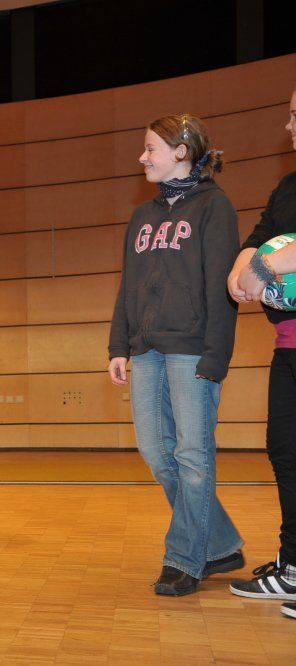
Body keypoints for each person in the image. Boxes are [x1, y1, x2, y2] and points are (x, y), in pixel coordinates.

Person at [108, 114, 244, 596]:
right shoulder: (142, 216)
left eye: (150, 149)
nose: (142, 157)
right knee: (157, 453)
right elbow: (128, 284)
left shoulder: (214, 207)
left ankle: (185, 558)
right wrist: (119, 345)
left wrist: (216, 357)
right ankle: (220, 544)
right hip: (146, 349)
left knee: (192, 455)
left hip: (192, 351)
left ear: (181, 151)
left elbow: (223, 290)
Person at [226, 88, 296, 616]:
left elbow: (270, 258)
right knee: (286, 451)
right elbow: (257, 238)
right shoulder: (288, 186)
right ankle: (293, 566)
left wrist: (268, 267)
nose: (289, 127)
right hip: (288, 345)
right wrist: (240, 272)